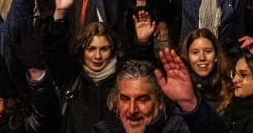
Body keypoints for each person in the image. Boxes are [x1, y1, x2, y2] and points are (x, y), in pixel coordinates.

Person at [95, 54, 229, 133]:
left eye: (142, 100)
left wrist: (189, 103)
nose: (131, 110)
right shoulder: (103, 130)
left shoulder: (178, 129)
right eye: (124, 99)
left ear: (159, 102)